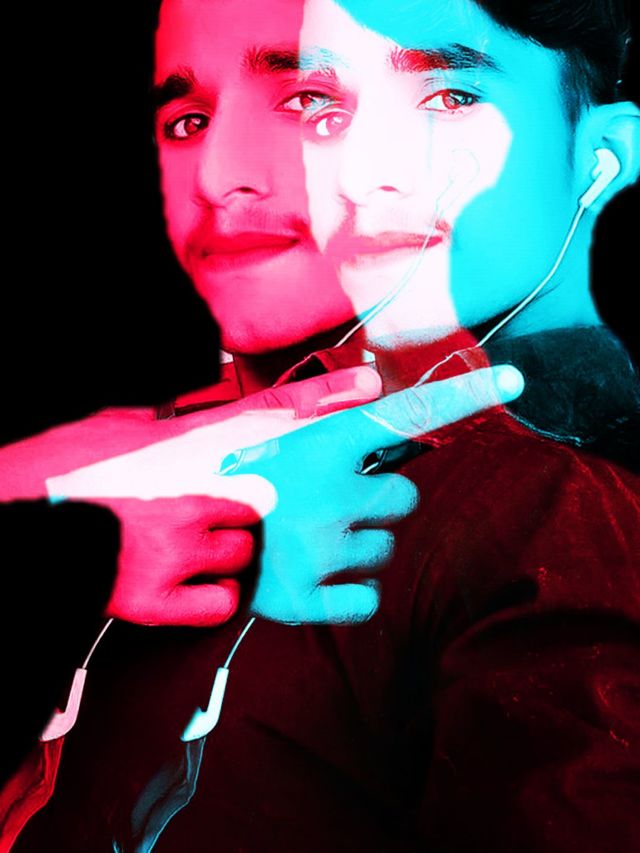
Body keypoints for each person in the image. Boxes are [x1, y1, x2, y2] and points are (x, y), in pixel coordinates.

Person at [12, 0, 640, 850]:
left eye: (446, 97)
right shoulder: (173, 453)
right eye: (187, 120)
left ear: (603, 155)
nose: (221, 177)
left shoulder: (543, 507)